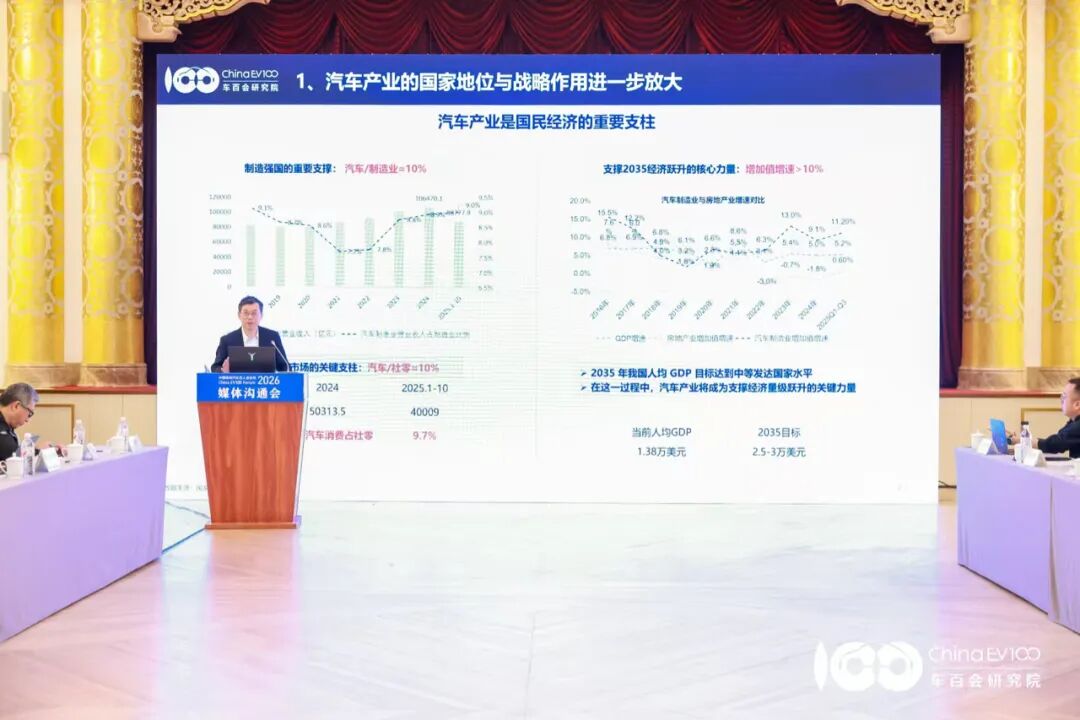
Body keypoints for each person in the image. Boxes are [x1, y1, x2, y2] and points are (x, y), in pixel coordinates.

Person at [211, 295, 289, 372]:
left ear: (261, 315)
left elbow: (285, 366)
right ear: (239, 315)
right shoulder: (227, 340)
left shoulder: (272, 337)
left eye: (254, 313)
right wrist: (222, 371)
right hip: (236, 381)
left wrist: (285, 371)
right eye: (246, 313)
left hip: (266, 381)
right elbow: (215, 367)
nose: (250, 317)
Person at [1009, 377, 1080, 458]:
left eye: (1064, 397)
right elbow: (1055, 441)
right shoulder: (1073, 421)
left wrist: (1016, 441)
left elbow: (1053, 445)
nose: (1061, 400)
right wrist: (1018, 440)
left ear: (1077, 405)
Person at [0, 382, 38, 460]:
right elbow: (13, 456)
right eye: (29, 414)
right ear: (16, 406)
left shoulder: (7, 427)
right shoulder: (3, 435)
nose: (27, 420)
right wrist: (40, 452)